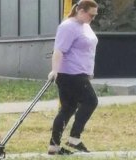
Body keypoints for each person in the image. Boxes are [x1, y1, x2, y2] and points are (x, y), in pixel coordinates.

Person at [47, 0, 98, 155]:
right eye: (91, 15)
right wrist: (54, 70)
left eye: (95, 16)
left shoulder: (85, 26)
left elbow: (86, 50)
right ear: (80, 11)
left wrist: (89, 71)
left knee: (68, 109)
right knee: (91, 101)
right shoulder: (68, 26)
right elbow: (59, 50)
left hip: (81, 73)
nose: (93, 18)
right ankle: (74, 138)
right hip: (70, 74)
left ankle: (54, 146)